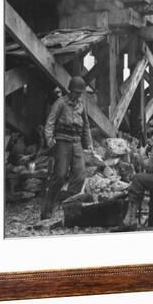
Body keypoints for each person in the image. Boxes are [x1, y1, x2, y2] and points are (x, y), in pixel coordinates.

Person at [41, 76, 93, 219]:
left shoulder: (81, 105)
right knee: (60, 175)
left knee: (80, 175)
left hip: (76, 141)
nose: (77, 95)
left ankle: (67, 204)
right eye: (75, 92)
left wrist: (89, 144)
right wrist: (49, 138)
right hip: (62, 141)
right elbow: (50, 121)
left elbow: (86, 126)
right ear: (70, 90)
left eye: (79, 93)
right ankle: (47, 208)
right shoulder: (60, 103)